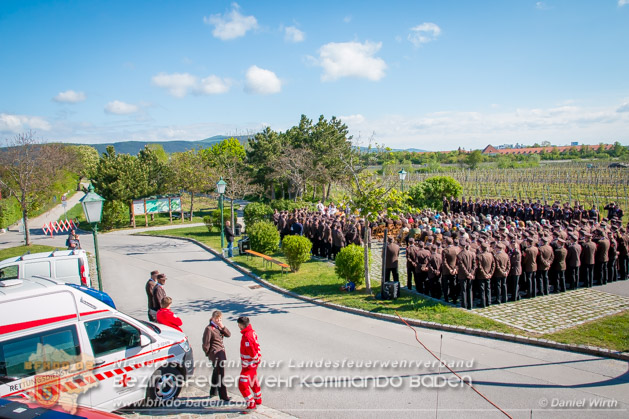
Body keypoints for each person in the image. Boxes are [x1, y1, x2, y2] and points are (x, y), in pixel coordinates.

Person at [202, 310, 231, 402]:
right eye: (217, 319)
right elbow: (205, 344)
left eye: (220, 319)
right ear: (213, 318)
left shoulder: (219, 327)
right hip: (216, 354)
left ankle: (213, 391)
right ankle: (223, 396)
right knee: (220, 375)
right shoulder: (209, 329)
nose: (219, 321)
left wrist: (222, 326)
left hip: (221, 353)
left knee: (216, 372)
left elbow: (228, 335)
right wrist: (209, 354)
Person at [237, 316, 261, 410]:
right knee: (253, 380)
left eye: (238, 324)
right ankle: (257, 399)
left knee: (242, 384)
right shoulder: (252, 332)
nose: (238, 326)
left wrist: (255, 359)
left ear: (241, 325)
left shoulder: (247, 336)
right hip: (252, 364)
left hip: (249, 365)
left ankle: (251, 403)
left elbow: (251, 350)